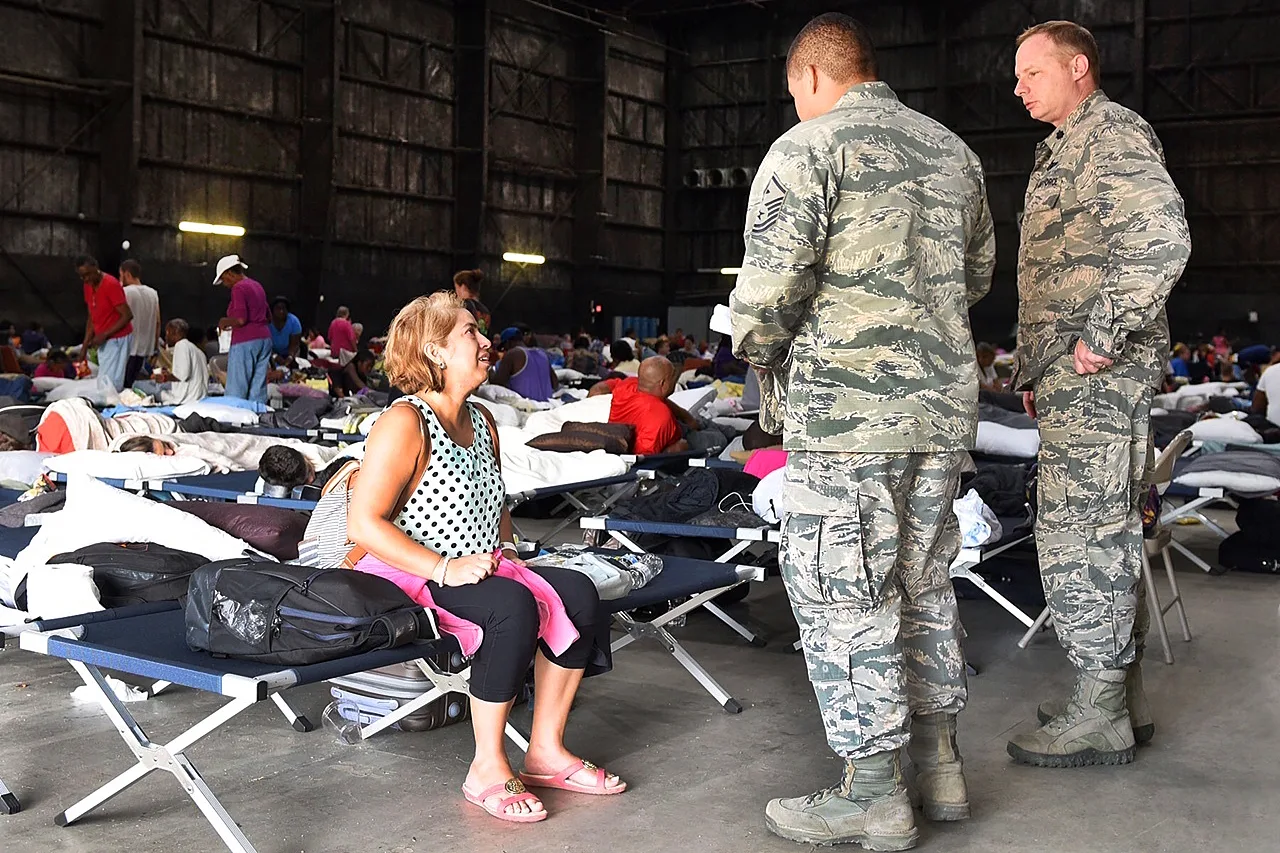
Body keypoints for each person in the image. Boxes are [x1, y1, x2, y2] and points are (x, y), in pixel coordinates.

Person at [728, 13, 994, 849]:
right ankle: (941, 767)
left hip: (846, 421)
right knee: (923, 583)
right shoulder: (953, 153)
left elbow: (769, 293)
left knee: (845, 597)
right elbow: (979, 273)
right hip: (940, 415)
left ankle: (874, 796)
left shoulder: (807, 149)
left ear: (810, 76)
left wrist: (756, 349)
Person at [346, 292, 622, 823]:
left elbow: (495, 501)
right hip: (408, 571)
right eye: (469, 332)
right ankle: (487, 768)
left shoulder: (481, 420)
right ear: (436, 351)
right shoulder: (404, 422)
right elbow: (364, 524)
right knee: (509, 607)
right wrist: (444, 568)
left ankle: (545, 752)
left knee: (580, 593)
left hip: (476, 565)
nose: (484, 341)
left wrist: (510, 550)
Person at [1009, 21, 1191, 769]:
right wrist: (1035, 369)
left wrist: (1102, 335)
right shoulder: (1067, 145)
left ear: (1077, 67)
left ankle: (1101, 708)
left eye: (1031, 72)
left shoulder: (1107, 134)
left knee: (1082, 537)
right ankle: (1118, 693)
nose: (1018, 87)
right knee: (1096, 530)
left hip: (1097, 379)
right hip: (1072, 380)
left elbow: (1162, 235)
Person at [588, 357, 692, 454]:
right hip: (674, 442)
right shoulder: (661, 416)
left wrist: (687, 417)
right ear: (663, 383)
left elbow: (598, 389)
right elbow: (643, 458)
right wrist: (677, 449)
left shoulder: (629, 385)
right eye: (673, 376)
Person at [214, 255, 273, 403]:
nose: (224, 284)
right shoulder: (257, 285)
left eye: (223, 279)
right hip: (264, 339)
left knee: (237, 386)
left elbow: (241, 320)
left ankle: (234, 420)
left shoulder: (238, 288)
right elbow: (268, 316)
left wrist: (224, 321)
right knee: (258, 387)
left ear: (229, 273)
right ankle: (257, 419)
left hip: (245, 341)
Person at [76, 255, 134, 391]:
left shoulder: (110, 284)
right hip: (104, 339)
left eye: (88, 275)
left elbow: (127, 315)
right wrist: (84, 345)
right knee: (104, 380)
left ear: (96, 268)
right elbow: (92, 316)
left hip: (118, 337)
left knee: (110, 383)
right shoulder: (88, 286)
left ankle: (112, 409)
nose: (86, 279)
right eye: (82, 277)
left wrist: (104, 334)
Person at [120, 259, 162, 386]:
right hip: (144, 348)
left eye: (121, 275)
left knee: (121, 383)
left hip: (128, 347)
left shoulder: (126, 292)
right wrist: (154, 348)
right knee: (130, 382)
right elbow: (158, 322)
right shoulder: (153, 293)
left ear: (127, 274)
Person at [492, 327, 558, 402]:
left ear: (508, 343)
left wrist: (490, 373)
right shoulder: (542, 354)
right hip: (547, 407)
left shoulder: (513, 354)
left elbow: (497, 384)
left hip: (525, 408)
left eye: (504, 348)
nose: (504, 351)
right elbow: (555, 384)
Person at [152, 319, 209, 405]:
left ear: (176, 332)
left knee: (140, 385)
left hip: (185, 399)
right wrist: (168, 374)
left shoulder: (181, 345)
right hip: (199, 397)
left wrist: (164, 378)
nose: (166, 337)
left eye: (167, 333)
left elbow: (183, 375)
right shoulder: (198, 351)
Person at [454, 268, 492, 337]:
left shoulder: (463, 306)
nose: (456, 292)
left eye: (456, 288)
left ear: (463, 287)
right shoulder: (485, 310)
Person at [268, 296, 303, 364]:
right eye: (278, 308)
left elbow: (295, 344)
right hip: (270, 353)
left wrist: (290, 357)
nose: (281, 311)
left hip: (289, 353)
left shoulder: (294, 321)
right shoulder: (267, 322)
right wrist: (274, 356)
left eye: (284, 308)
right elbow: (264, 344)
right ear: (272, 310)